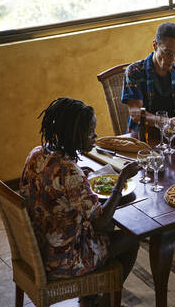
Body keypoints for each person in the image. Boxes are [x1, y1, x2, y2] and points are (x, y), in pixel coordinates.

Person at [19, 98, 141, 307]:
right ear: (73, 134)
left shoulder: (37, 153)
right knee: (132, 239)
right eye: (90, 132)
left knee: (108, 227)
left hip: (36, 246)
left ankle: (89, 296)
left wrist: (80, 178)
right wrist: (121, 180)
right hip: (61, 259)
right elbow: (100, 223)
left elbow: (53, 186)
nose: (95, 136)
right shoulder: (68, 170)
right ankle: (104, 304)